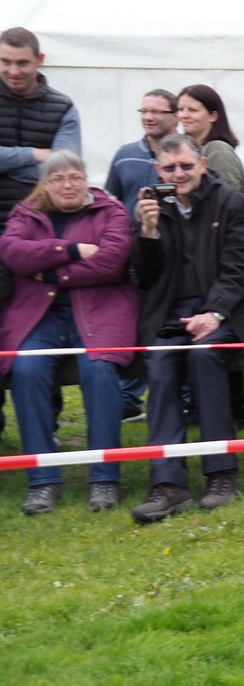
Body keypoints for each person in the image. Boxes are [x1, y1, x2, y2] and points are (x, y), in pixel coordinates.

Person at [129, 135, 244, 524]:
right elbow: (145, 275)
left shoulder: (232, 203)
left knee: (204, 356)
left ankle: (222, 473)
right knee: (159, 365)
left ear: (203, 165)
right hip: (170, 312)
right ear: (158, 171)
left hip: (227, 310)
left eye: (186, 166)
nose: (179, 174)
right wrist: (148, 232)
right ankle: (168, 482)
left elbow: (239, 269)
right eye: (170, 168)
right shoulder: (152, 206)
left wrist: (214, 313)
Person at [1, 153, 136, 514]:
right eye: (58, 179)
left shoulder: (111, 211)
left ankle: (104, 477)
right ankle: (42, 480)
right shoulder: (25, 213)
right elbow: (13, 253)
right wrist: (70, 250)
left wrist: (50, 273)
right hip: (39, 316)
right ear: (45, 184)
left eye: (75, 177)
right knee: (26, 370)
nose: (67, 185)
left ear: (86, 180)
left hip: (99, 311)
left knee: (100, 370)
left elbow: (111, 262)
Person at [0, 26, 82, 235]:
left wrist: (6, 163)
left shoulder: (63, 108)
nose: (14, 71)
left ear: (40, 60)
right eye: (5, 62)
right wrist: (34, 155)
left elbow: (63, 171)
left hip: (39, 229)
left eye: (22, 63)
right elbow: (52, 172)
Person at [106, 89, 178, 211]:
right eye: (144, 111)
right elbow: (109, 202)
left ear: (175, 117)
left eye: (156, 112)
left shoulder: (188, 157)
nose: (148, 117)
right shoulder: (125, 155)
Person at [176, 84, 244, 192]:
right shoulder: (187, 150)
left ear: (213, 116)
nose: (184, 115)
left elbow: (226, 197)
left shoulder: (219, 151)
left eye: (193, 110)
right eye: (181, 109)